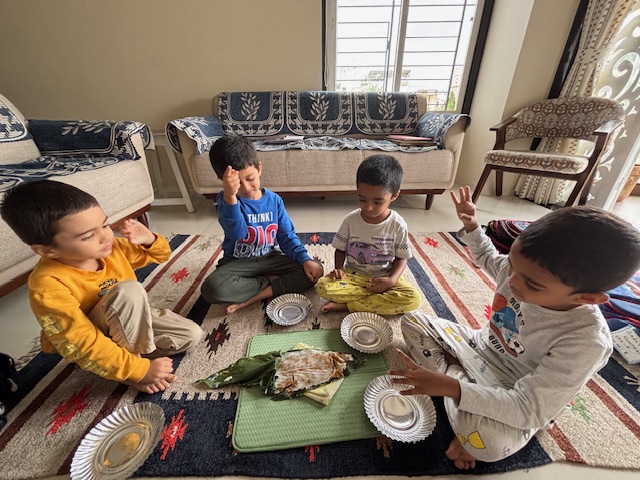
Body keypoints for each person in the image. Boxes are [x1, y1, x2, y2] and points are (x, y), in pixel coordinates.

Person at [389, 185, 640, 469]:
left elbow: (529, 408)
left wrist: (451, 388)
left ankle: (455, 385)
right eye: (512, 266)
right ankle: (458, 383)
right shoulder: (521, 273)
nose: (512, 282)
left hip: (515, 389)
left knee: (487, 443)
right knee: (413, 321)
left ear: (585, 298)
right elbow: (488, 258)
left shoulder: (586, 341)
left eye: (531, 283)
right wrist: (471, 226)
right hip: (479, 349)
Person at [0, 180, 204, 394]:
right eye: (88, 236)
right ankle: (128, 365)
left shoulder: (111, 248)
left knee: (191, 335)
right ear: (47, 250)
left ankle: (115, 359)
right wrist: (139, 370)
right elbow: (80, 341)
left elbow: (160, 255)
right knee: (129, 292)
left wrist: (149, 239)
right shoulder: (47, 285)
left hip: (125, 320)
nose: (106, 236)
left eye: (105, 225)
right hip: (89, 332)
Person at [200, 135, 323, 314]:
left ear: (259, 168)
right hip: (238, 262)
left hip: (269, 257)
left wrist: (305, 259)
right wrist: (230, 196)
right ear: (224, 181)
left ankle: (256, 293)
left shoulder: (274, 200)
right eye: (237, 184)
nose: (246, 188)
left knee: (313, 271)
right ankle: (271, 281)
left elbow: (287, 237)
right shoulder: (225, 201)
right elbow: (237, 234)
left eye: (250, 178)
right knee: (212, 289)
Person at [315, 154, 421, 315]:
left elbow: (402, 258)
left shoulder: (398, 225)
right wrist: (339, 269)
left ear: (394, 196)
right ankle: (375, 300)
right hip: (353, 276)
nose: (368, 207)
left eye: (377, 202)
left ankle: (348, 306)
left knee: (413, 299)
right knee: (323, 286)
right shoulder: (351, 220)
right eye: (362, 199)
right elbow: (340, 249)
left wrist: (392, 280)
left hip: (384, 277)